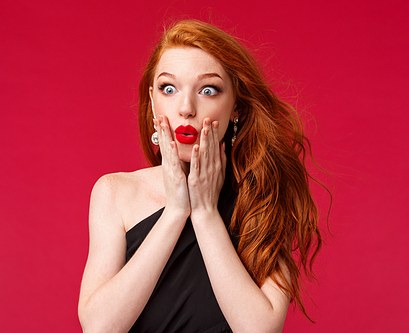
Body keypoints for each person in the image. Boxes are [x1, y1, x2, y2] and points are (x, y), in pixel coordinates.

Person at [78, 20, 323, 333]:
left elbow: (259, 329)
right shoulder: (114, 192)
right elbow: (99, 327)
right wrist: (175, 212)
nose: (186, 108)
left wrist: (206, 213)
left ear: (236, 107)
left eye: (209, 90)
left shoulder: (266, 196)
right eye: (169, 88)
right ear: (152, 100)